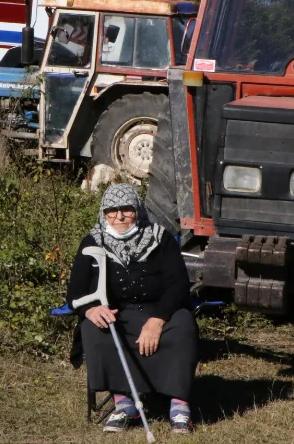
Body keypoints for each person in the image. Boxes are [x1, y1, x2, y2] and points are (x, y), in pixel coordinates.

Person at [66, 184, 198, 434]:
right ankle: (125, 404)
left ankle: (179, 407)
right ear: (103, 213)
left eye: (126, 209)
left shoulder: (161, 239)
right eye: (111, 210)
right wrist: (90, 310)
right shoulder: (93, 241)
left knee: (182, 326)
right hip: (117, 314)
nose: (119, 216)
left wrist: (157, 320)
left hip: (159, 311)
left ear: (137, 210)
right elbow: (76, 291)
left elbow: (178, 284)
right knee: (94, 329)